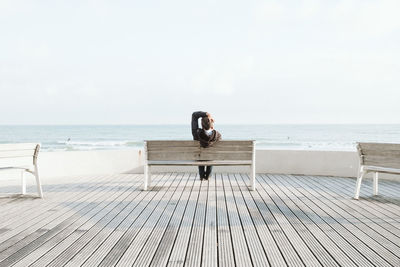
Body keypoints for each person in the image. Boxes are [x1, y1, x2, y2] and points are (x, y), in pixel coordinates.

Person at [191, 111, 222, 180]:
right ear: (211, 124)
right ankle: (208, 175)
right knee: (210, 155)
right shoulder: (217, 135)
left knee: (200, 154)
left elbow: (194, 115)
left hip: (200, 156)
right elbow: (214, 136)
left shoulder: (196, 133)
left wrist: (205, 114)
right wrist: (211, 127)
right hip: (210, 156)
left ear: (201, 125)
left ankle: (201, 175)